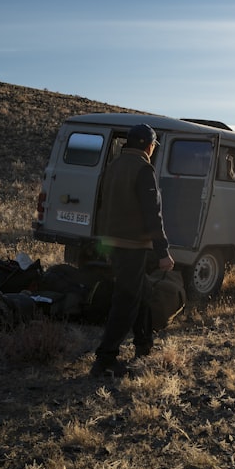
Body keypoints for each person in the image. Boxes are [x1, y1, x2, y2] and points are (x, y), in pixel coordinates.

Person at [91, 123, 174, 378]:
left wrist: (102, 243)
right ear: (149, 145)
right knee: (125, 302)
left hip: (113, 244)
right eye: (153, 145)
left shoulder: (112, 167)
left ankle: (143, 344)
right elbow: (153, 215)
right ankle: (105, 359)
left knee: (143, 292)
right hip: (132, 246)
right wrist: (163, 252)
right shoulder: (143, 169)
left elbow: (102, 205)